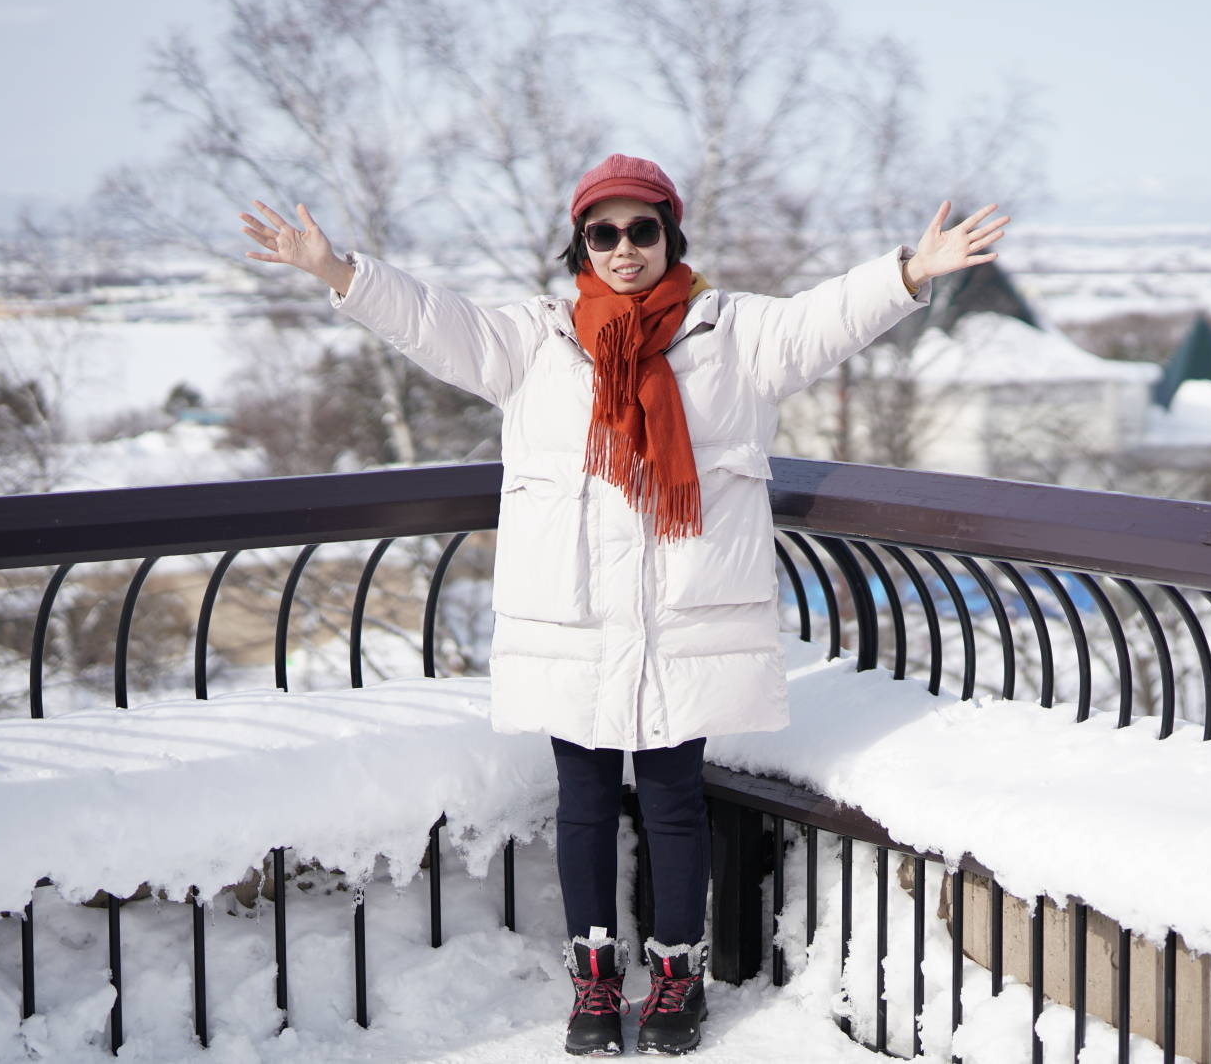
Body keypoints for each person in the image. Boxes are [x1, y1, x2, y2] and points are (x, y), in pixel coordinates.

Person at [240, 155, 1006, 1056]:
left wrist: (909, 272)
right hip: (576, 617)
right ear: (581, 242)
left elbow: (824, 321)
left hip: (682, 617)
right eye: (603, 232)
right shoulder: (538, 337)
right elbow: (431, 323)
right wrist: (339, 271)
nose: (624, 248)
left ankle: (677, 974)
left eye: (642, 229)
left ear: (669, 234)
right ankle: (595, 982)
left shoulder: (734, 334)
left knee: (675, 797)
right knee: (586, 799)